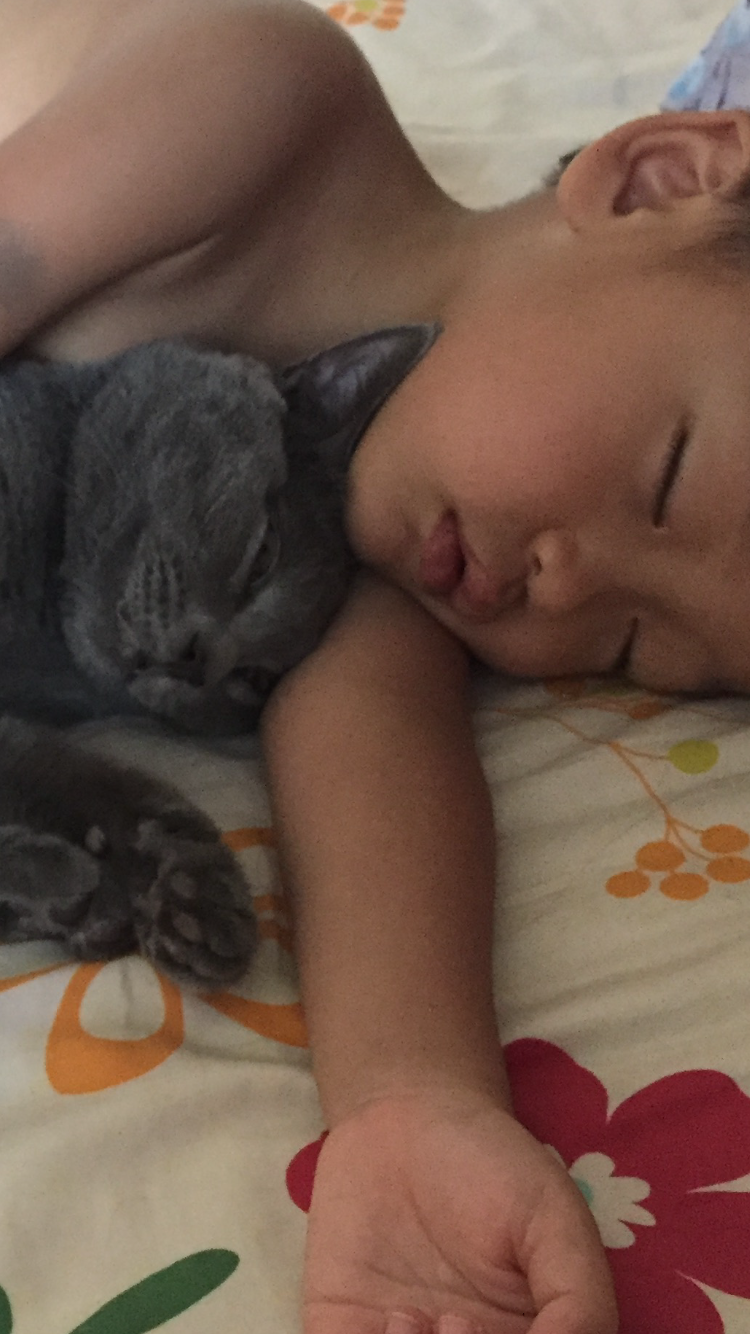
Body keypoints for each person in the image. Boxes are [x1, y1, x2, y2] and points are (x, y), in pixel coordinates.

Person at [2, 1, 749, 1330]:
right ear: (655, 181)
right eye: (666, 478)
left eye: (636, 647)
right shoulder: (266, 98)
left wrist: (416, 1109)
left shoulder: (381, 544)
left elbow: (381, 791)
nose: (567, 591)